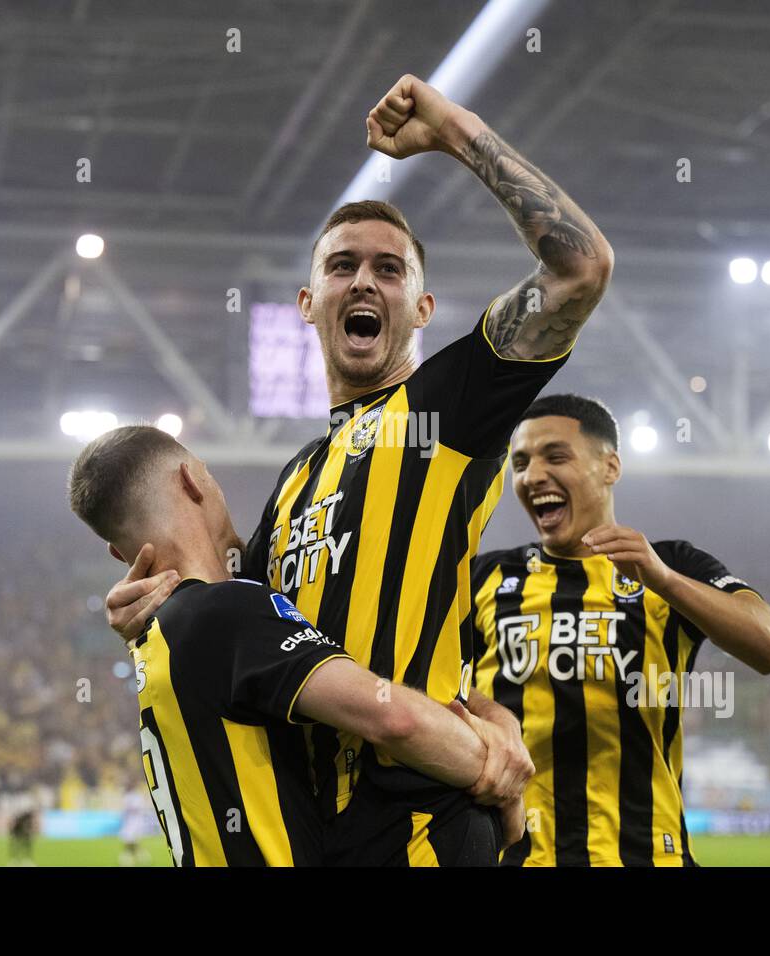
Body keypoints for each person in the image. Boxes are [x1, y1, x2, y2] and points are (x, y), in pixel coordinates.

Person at [105, 74, 613, 863]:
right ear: (309, 303)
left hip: (427, 831)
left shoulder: (442, 410)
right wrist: (156, 594)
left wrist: (457, 133)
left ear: (422, 307)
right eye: (343, 267)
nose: (365, 280)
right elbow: (236, 606)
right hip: (319, 834)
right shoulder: (297, 480)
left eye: (389, 268)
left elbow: (581, 269)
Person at [70, 425, 506, 865]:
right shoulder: (227, 612)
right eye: (208, 474)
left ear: (116, 553)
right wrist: (499, 776)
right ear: (191, 480)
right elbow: (393, 718)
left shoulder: (151, 638)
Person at [471, 394, 770, 865]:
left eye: (555, 456)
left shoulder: (672, 564)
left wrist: (663, 579)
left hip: (647, 855)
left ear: (610, 466)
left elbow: (769, 647)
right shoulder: (484, 576)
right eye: (520, 463)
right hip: (516, 857)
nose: (533, 475)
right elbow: (434, 688)